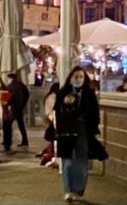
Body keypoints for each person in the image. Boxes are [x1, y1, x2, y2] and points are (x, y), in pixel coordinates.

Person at [53, 66, 100, 203]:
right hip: (66, 130)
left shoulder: (89, 94)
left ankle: (78, 189)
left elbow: (94, 113)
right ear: (70, 78)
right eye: (76, 77)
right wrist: (65, 104)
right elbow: (57, 111)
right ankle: (68, 189)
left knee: (81, 160)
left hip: (83, 130)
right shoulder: (63, 92)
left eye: (81, 77)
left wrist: (93, 128)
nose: (78, 79)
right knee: (67, 161)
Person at [3, 72, 30, 150]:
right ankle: (25, 140)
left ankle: (7, 141)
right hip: (19, 108)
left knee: (7, 125)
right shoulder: (21, 85)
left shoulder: (11, 86)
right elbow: (27, 93)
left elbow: (8, 98)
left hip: (13, 108)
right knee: (21, 125)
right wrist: (23, 104)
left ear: (11, 78)